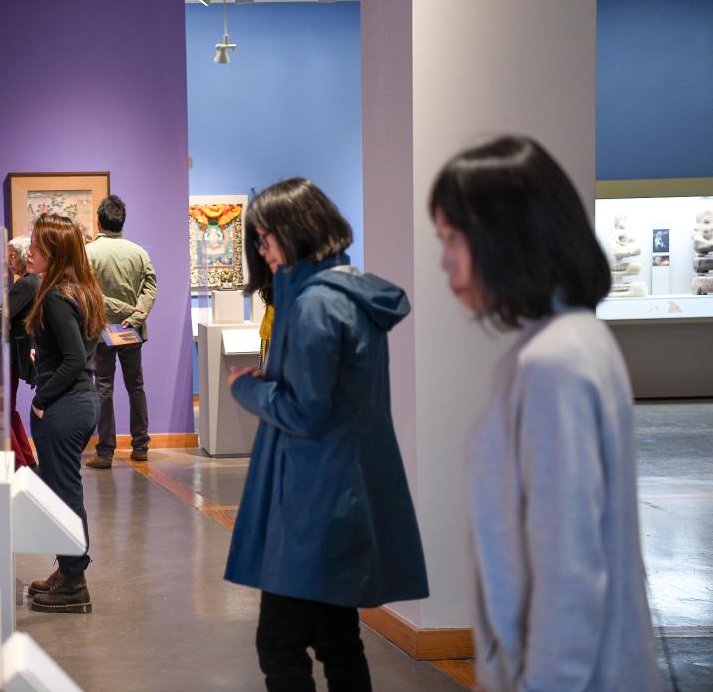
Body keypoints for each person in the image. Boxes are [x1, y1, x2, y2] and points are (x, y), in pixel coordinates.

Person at [430, 135, 658, 691]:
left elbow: (569, 569)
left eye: (454, 237)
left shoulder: (552, 363)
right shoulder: (576, 341)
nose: (444, 260)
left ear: (506, 234)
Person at [226, 178, 429, 692]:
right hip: (339, 495)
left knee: (280, 644)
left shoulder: (318, 306)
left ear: (295, 232)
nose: (263, 251)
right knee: (338, 640)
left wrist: (245, 392)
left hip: (314, 505)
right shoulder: (351, 295)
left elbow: (306, 413)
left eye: (266, 238)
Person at [23, 213, 105, 614]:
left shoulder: (56, 295)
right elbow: (76, 351)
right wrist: (45, 357)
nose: (30, 251)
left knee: (64, 494)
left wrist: (41, 398)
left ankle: (74, 580)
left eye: (37, 245)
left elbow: (74, 358)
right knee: (62, 489)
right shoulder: (78, 289)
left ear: (54, 252)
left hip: (65, 404)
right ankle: (68, 569)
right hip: (80, 401)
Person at [84, 195, 158, 468]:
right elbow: (151, 288)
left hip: (101, 328)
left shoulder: (89, 252)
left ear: (99, 220)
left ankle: (105, 452)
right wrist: (136, 314)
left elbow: (88, 291)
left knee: (103, 388)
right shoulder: (139, 252)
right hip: (131, 330)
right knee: (135, 387)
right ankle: (141, 446)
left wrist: (119, 311)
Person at [0, 236, 39, 470]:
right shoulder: (29, 283)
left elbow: (3, 318)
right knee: (3, 407)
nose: (9, 261)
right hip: (7, 353)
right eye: (8, 256)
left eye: (13, 256)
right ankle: (24, 457)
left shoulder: (26, 284)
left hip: (5, 354)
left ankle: (17, 462)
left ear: (26, 256)